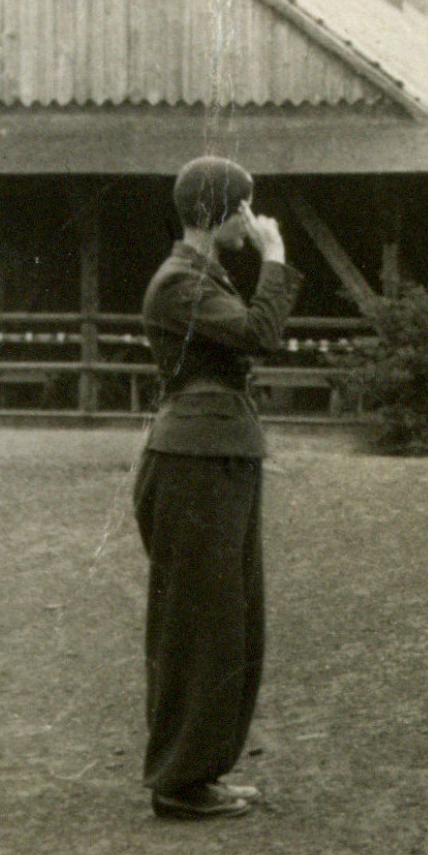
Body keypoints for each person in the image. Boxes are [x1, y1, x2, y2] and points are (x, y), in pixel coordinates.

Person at [133, 157, 300, 821]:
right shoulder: (180, 283)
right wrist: (278, 258)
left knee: (228, 623)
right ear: (217, 212)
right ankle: (178, 780)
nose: (253, 220)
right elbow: (262, 333)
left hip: (217, 455)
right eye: (246, 207)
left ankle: (199, 772)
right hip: (194, 460)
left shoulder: (203, 277)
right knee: (199, 625)